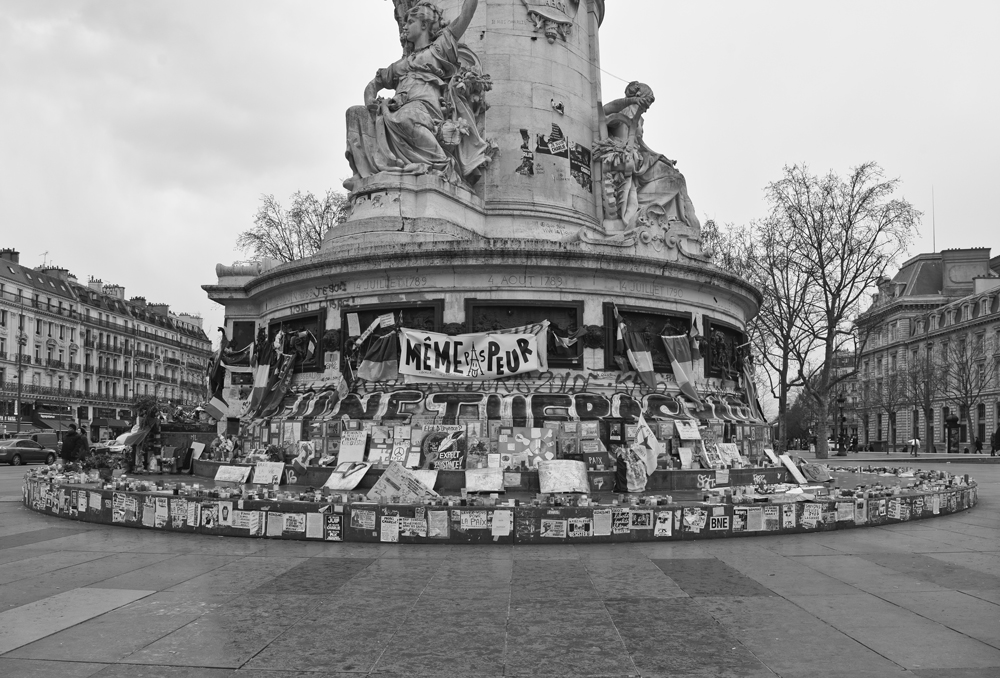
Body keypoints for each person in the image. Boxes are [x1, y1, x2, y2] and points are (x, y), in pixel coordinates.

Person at [344, 0, 493, 189]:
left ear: (424, 25)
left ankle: (441, 164)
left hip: (425, 106)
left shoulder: (438, 48)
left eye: (410, 22)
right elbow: (374, 85)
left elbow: (466, 15)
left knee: (407, 117)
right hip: (398, 107)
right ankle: (363, 173)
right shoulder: (402, 64)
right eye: (404, 23)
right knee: (355, 113)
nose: (404, 27)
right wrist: (370, 101)